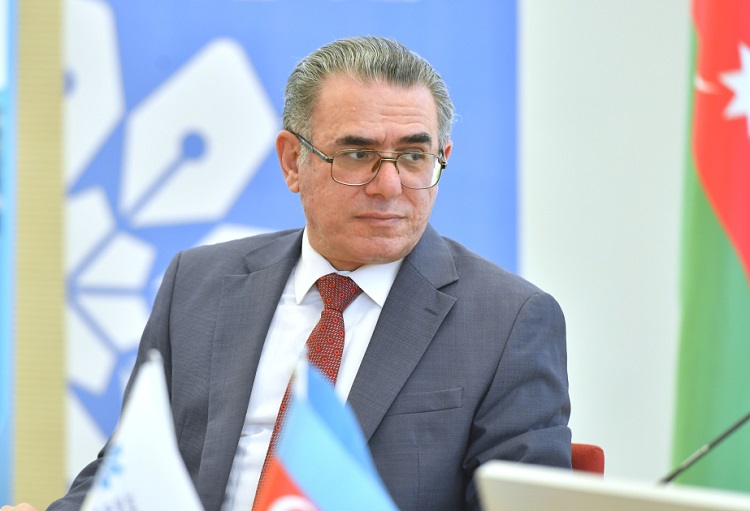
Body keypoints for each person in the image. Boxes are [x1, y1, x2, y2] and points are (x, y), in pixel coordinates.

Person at [4, 35, 571, 511]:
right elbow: (130, 470)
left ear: (441, 156)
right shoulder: (197, 285)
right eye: (357, 155)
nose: (390, 185)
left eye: (414, 157)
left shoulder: (509, 323)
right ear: (292, 161)